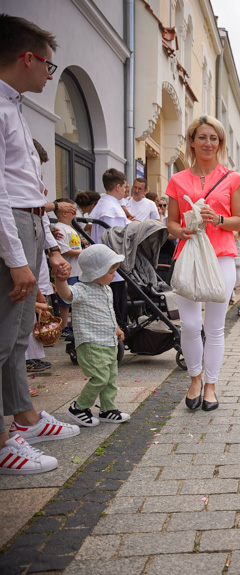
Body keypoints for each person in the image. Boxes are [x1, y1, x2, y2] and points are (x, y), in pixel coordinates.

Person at [0, 14, 80, 476]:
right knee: (3, 337)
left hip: (28, 223)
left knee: (14, 337)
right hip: (11, 225)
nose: (50, 75)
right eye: (49, 66)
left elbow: (31, 192)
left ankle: (24, 417)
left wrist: (49, 246)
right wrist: (15, 260)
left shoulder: (14, 108)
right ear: (27, 58)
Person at [166, 115, 240, 413]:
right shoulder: (177, 179)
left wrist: (220, 220)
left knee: (214, 326)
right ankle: (195, 379)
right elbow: (170, 222)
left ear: (220, 142)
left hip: (221, 257)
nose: (208, 143)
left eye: (214, 138)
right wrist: (180, 230)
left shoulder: (233, 178)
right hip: (188, 256)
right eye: (202, 137)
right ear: (191, 141)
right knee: (188, 324)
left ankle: (211, 385)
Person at [56, 245, 131, 426]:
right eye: (111, 271)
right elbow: (67, 294)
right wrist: (61, 280)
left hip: (109, 342)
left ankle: (108, 408)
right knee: (99, 378)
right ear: (97, 272)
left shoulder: (107, 290)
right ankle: (79, 407)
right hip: (91, 343)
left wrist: (116, 328)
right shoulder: (82, 289)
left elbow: (108, 313)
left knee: (110, 378)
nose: (114, 275)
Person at [89, 168, 130, 325]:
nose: (126, 191)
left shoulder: (103, 204)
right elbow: (116, 239)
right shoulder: (112, 209)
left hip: (102, 262)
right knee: (115, 303)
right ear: (118, 187)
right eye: (125, 187)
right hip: (111, 265)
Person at [54, 198, 82, 335]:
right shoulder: (59, 228)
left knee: (73, 300)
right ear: (64, 213)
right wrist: (83, 252)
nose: (75, 213)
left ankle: (70, 325)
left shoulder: (71, 229)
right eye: (72, 210)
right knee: (65, 302)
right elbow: (64, 250)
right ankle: (63, 326)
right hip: (67, 270)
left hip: (76, 270)